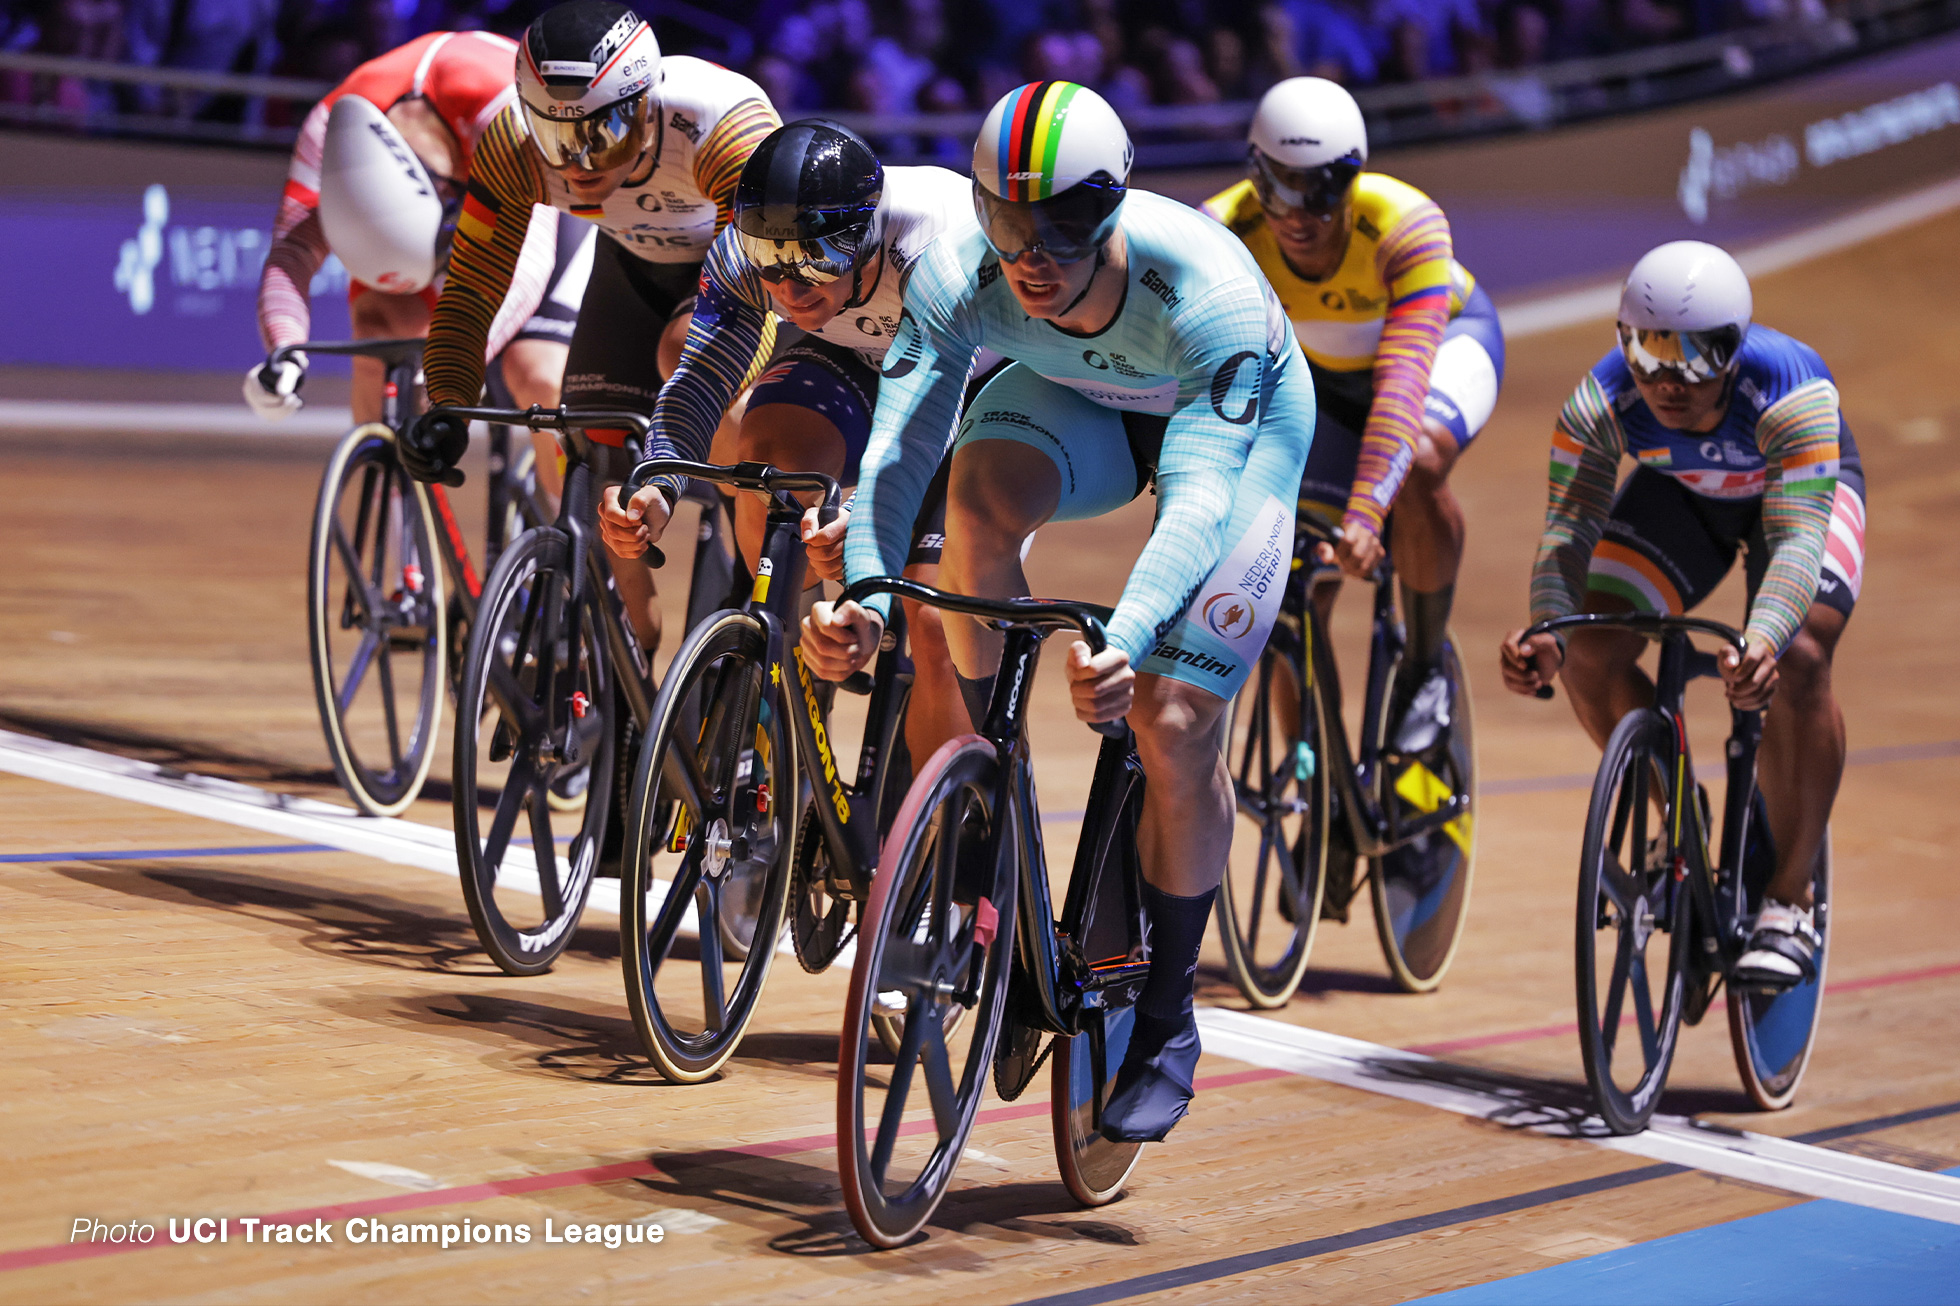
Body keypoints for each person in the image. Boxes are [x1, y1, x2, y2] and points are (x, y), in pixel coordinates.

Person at [800, 81, 1315, 1142]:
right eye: (1005, 220)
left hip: (1232, 434)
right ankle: (979, 793)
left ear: (1114, 205)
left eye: (1064, 223)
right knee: (973, 502)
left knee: (1169, 719)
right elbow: (898, 451)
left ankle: (1169, 1013)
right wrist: (857, 589)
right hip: (1075, 394)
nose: (1030, 255)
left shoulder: (1204, 289)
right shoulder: (959, 273)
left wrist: (1125, 641)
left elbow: (1202, 496)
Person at [1500, 241, 1864, 987]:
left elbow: (1796, 539)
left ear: (1731, 353)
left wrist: (1761, 638)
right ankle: (1681, 812)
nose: (1667, 379)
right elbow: (1567, 534)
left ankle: (1791, 899)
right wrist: (1547, 628)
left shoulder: (1793, 390)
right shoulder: (1600, 402)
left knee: (1797, 660)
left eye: (1693, 359)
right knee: (1589, 649)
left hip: (1794, 498)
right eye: (1647, 351)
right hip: (1686, 497)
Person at [399, 0, 780, 659]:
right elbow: (472, 288)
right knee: (598, 457)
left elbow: (748, 303)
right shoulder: (513, 147)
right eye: (555, 137)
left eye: (599, 135)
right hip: (628, 272)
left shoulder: (723, 126)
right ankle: (633, 652)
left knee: (690, 369)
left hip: (741, 276)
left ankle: (758, 622)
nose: (576, 164)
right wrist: (450, 401)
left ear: (645, 103)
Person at [598, 120, 978, 772]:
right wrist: (656, 485)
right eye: (772, 264)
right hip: (855, 350)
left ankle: (942, 846)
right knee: (766, 463)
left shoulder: (930, 250)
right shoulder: (751, 255)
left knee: (934, 627)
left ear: (864, 239)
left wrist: (862, 521)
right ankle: (801, 675)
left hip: (976, 382)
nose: (791, 289)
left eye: (814, 263)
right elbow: (700, 380)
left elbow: (923, 423)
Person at [1203, 76, 1504, 759]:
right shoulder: (1220, 231)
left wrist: (1368, 514)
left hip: (1444, 349)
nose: (1297, 212)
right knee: (1277, 588)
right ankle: (1322, 786)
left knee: (1420, 460)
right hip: (1322, 387)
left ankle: (1424, 669)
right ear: (1254, 173)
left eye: (1322, 189)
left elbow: (1400, 388)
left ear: (1355, 179)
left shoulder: (1405, 225)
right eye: (1278, 187)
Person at [246, 26, 589, 479]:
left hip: (551, 199)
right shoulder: (328, 131)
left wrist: (456, 365)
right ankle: (397, 517)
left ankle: (575, 535)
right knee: (376, 334)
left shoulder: (504, 107)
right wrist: (286, 350)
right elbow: (290, 255)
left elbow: (529, 267)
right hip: (453, 191)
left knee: (537, 373)